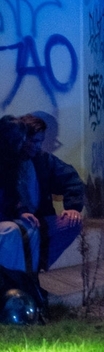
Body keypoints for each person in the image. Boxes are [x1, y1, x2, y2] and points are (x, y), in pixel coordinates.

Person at [18, 114, 85, 270]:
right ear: (22, 139)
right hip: (15, 223)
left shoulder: (42, 159)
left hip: (38, 221)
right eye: (34, 141)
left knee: (72, 222)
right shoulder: (8, 160)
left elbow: (71, 179)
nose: (38, 146)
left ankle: (35, 267)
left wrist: (72, 207)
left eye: (40, 141)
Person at [0, 116, 39, 273]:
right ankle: (11, 285)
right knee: (11, 230)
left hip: (5, 217)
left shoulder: (10, 163)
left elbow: (12, 195)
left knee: (32, 228)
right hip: (4, 221)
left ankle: (28, 282)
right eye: (18, 141)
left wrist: (22, 211)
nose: (21, 145)